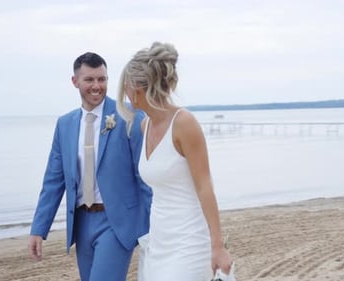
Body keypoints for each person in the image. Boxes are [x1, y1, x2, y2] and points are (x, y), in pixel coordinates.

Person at [28, 52, 151, 281]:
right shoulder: (65, 125)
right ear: (75, 82)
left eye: (102, 79)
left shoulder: (129, 116)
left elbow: (143, 175)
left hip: (116, 223)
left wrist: (151, 226)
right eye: (89, 80)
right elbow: (53, 181)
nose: (97, 86)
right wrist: (38, 229)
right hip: (81, 223)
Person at [117, 42, 233, 280]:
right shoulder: (144, 124)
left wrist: (218, 246)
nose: (125, 93)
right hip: (159, 239)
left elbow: (205, 186)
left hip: (189, 240)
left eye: (127, 86)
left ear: (138, 87)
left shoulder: (184, 123)